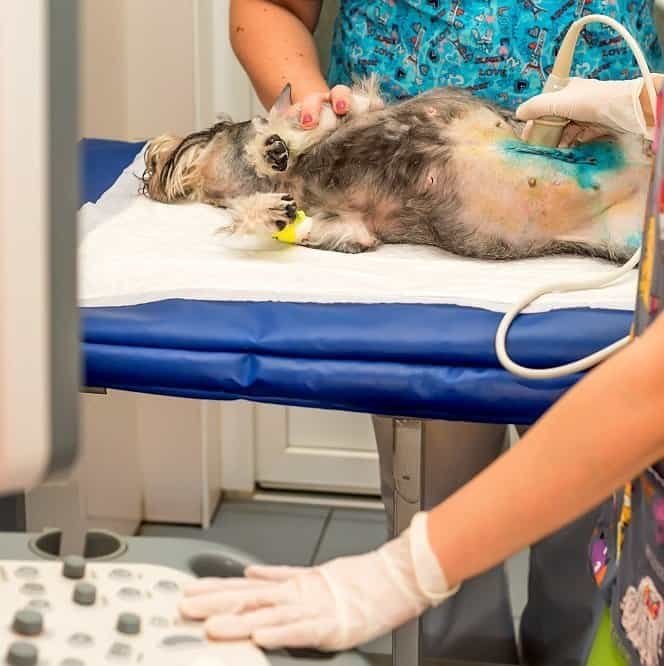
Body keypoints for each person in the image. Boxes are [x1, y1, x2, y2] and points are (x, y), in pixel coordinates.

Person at [227, 1, 664, 663]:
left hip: (610, 206)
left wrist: (634, 104)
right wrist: (320, 119)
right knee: (435, 515)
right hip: (409, 209)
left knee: (601, 537)